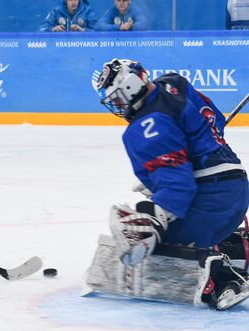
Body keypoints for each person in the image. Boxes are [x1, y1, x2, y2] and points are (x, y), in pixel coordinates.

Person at [85, 58, 249, 310]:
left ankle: (222, 279)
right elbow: (213, 117)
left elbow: (179, 188)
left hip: (210, 198)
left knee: (145, 240)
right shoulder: (175, 83)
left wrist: (158, 213)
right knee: (165, 223)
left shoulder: (145, 126)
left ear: (130, 87)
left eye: (117, 98)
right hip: (236, 187)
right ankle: (241, 251)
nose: (117, 106)